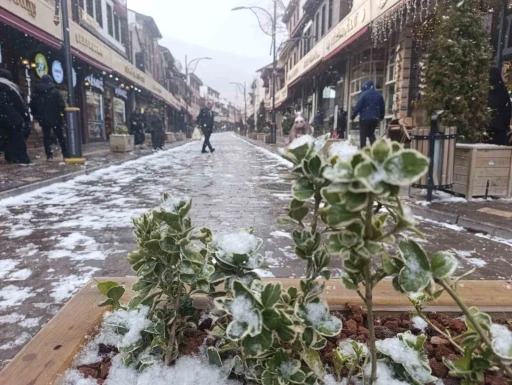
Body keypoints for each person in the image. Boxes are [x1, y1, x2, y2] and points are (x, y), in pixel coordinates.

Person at [30, 75, 68, 161]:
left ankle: (49, 155)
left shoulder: (37, 92)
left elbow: (32, 105)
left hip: (43, 118)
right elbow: (61, 105)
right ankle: (65, 153)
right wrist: (64, 115)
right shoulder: (55, 92)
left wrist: (36, 116)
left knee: (46, 137)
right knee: (60, 136)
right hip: (56, 117)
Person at [0, 69, 30, 164]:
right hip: (11, 117)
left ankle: (10, 157)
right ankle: (23, 159)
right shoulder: (10, 87)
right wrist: (25, 115)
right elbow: (18, 103)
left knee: (3, 137)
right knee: (18, 138)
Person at [351, 80, 385, 148]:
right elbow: (382, 107)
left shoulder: (364, 94)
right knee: (371, 134)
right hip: (375, 118)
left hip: (364, 118)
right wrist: (381, 117)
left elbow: (358, 106)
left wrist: (353, 116)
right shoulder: (379, 95)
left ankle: (363, 149)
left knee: (363, 134)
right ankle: (375, 148)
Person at [488, 67, 511, 146]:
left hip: (487, 127)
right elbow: (507, 108)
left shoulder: (487, 90)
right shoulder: (502, 89)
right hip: (499, 127)